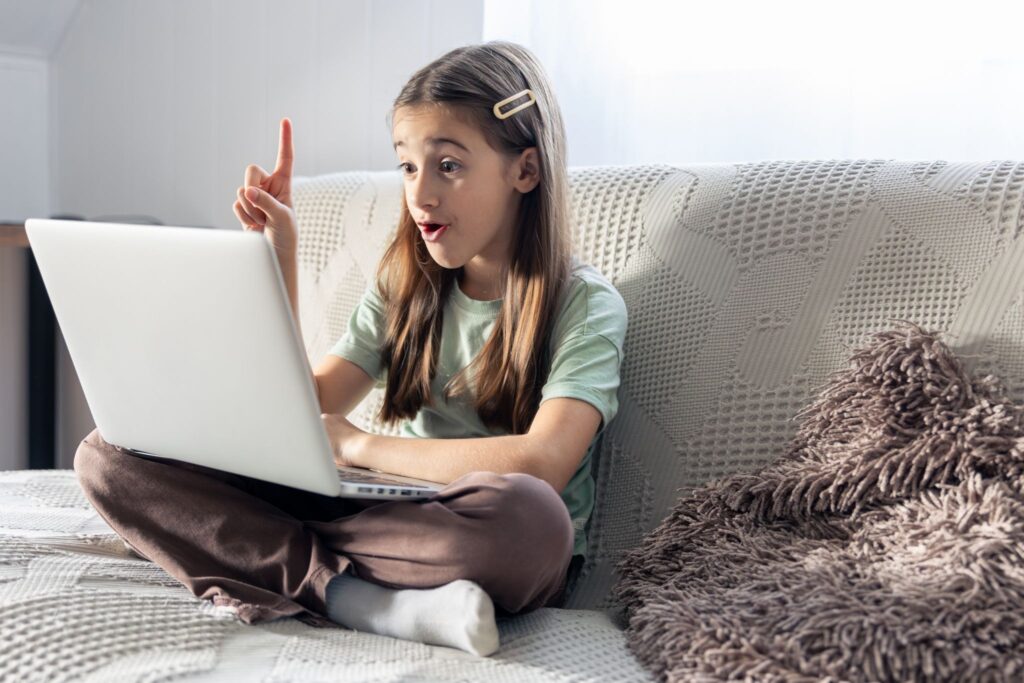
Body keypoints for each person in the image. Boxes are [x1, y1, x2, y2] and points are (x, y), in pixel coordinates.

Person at [74, 40, 627, 657]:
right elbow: (298, 405)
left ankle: (243, 547)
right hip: (368, 509)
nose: (421, 196)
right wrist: (277, 254)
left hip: (464, 528)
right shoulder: (406, 285)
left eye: (448, 165)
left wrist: (356, 443)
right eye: (408, 167)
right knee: (106, 454)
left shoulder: (586, 304)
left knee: (533, 518)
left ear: (524, 170)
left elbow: (542, 463)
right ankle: (358, 601)